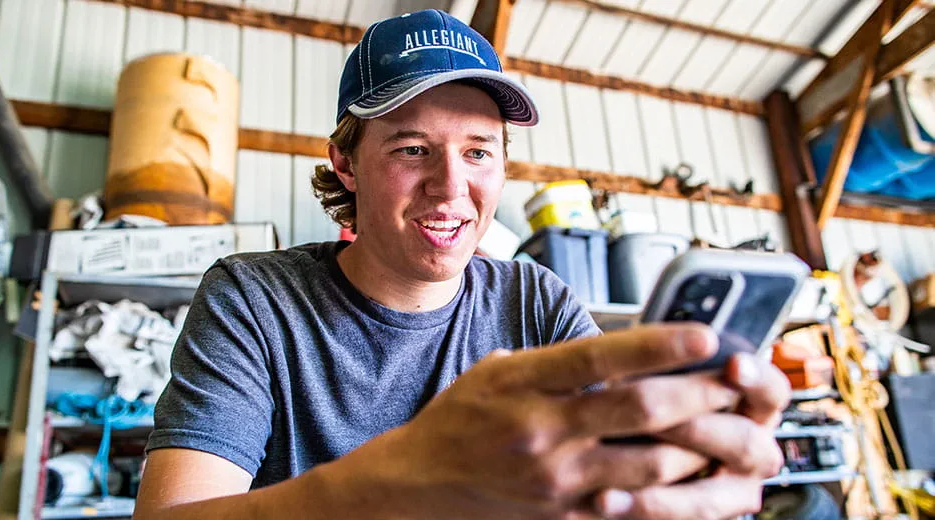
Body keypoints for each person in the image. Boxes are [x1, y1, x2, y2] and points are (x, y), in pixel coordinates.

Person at [134, 9, 789, 520]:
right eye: (412, 148)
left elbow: (606, 473)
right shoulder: (255, 297)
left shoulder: (536, 299)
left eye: (478, 152)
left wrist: (679, 470)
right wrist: (411, 479)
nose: (451, 189)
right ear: (346, 164)